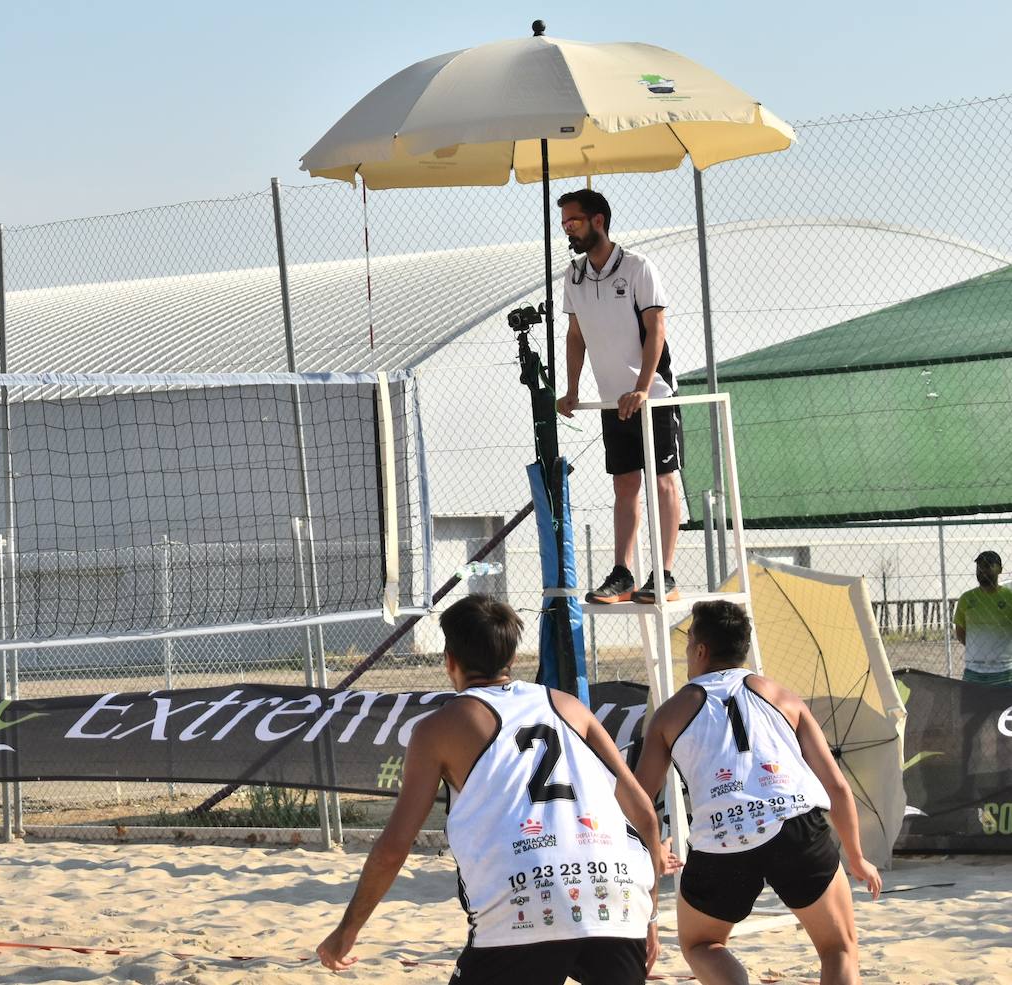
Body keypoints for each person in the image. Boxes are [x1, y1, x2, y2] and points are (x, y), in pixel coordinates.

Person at [317, 595, 665, 984]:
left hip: (524, 897)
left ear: (449, 660)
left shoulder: (438, 728)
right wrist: (649, 916)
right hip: (616, 896)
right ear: (512, 659)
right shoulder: (570, 706)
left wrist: (347, 930)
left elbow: (394, 848)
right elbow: (644, 813)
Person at [633, 600, 882, 985]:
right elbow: (836, 786)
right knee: (839, 947)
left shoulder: (670, 713)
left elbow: (639, 800)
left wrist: (655, 846)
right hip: (794, 824)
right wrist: (857, 857)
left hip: (722, 837)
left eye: (687, 646)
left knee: (701, 944)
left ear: (700, 650)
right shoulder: (781, 696)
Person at [553, 188, 682, 605]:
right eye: (564, 223)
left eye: (573, 221)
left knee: (662, 481)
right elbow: (576, 336)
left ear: (598, 221)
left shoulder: (638, 267)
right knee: (624, 485)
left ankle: (663, 574)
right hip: (614, 401)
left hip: (654, 396)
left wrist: (643, 387)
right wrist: (572, 389)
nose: (567, 230)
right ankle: (623, 573)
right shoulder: (573, 276)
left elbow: (656, 328)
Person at [953, 550, 1012, 687]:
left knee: (1004, 708)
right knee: (970, 708)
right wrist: (978, 649)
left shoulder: (1009, 597)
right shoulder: (966, 599)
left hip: (1005, 673)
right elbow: (960, 632)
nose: (982, 570)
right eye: (979, 566)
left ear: (1000, 569)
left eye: (988, 565)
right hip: (973, 672)